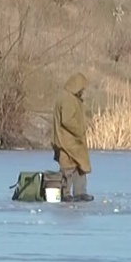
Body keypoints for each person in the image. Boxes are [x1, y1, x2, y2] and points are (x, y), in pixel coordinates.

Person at [52, 72, 93, 202]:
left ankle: (80, 192)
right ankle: (65, 193)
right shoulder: (67, 99)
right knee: (67, 167)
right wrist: (80, 130)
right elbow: (67, 120)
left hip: (74, 141)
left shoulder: (72, 98)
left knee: (80, 166)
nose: (83, 91)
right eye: (82, 88)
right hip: (67, 140)